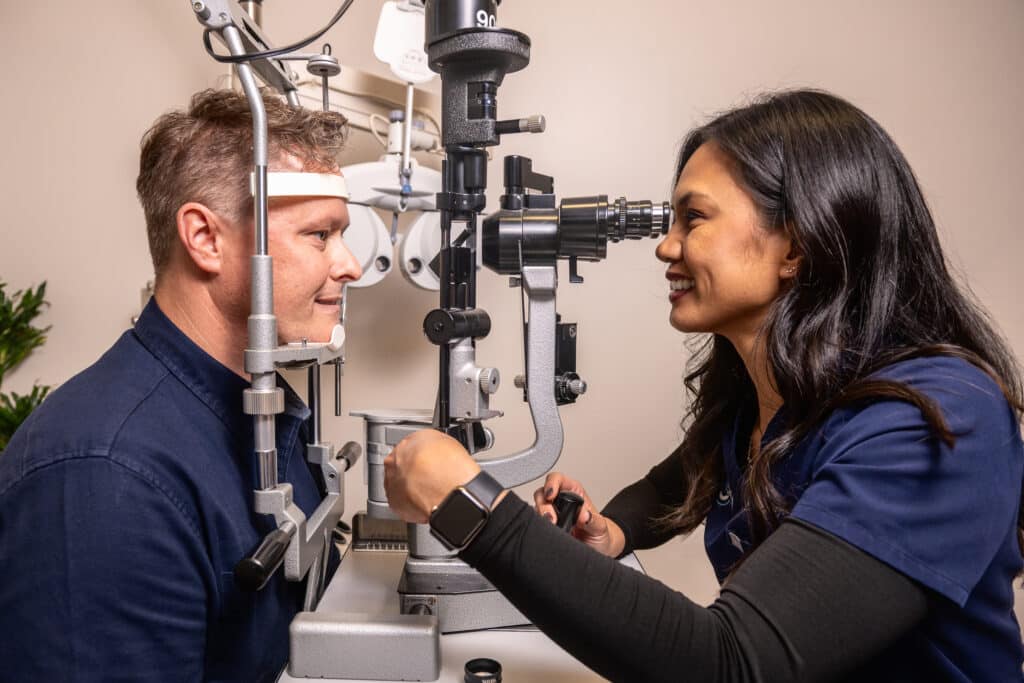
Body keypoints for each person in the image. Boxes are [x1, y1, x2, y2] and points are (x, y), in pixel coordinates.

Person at [384, 89, 1024, 681]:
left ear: (797, 245)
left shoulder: (935, 417)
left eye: (693, 218)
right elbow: (682, 478)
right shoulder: (774, 393)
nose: (666, 247)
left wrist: (469, 507)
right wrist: (614, 530)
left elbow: (731, 664)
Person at [0, 89, 361, 681]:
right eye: (320, 235)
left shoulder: (262, 414)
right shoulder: (103, 478)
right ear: (205, 238)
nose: (350, 265)